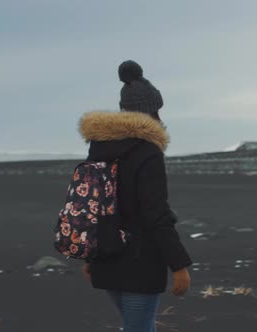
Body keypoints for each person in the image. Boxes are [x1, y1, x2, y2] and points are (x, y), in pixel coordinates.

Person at [77, 60, 192, 332]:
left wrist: (90, 257)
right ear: (149, 111)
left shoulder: (99, 149)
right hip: (140, 262)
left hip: (105, 257)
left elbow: (92, 206)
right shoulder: (148, 152)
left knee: (139, 326)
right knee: (139, 327)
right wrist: (179, 265)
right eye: (157, 110)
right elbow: (156, 214)